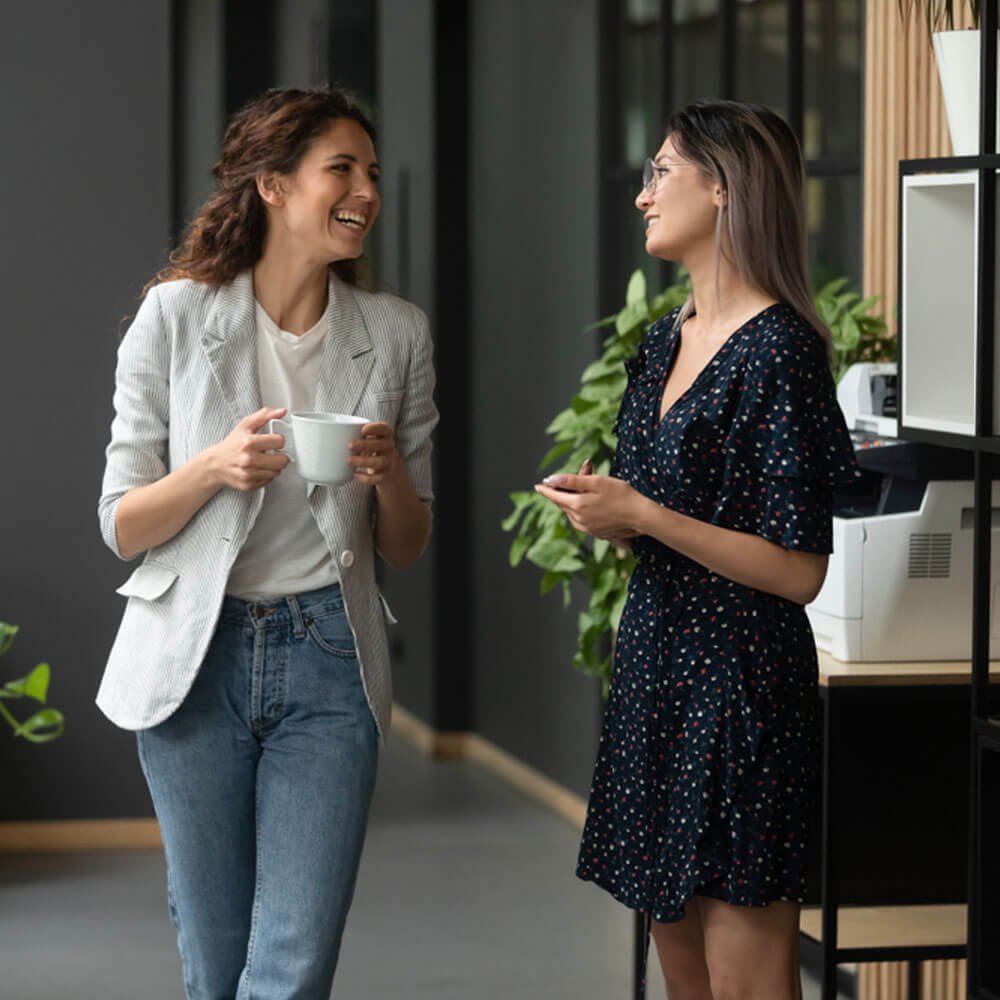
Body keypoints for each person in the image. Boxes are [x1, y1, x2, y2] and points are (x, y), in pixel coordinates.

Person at [96, 85, 437, 999]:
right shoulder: (173, 318)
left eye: (370, 171)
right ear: (274, 186)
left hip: (330, 657)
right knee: (215, 964)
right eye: (342, 169)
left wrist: (386, 473)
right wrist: (214, 468)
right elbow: (122, 523)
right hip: (194, 662)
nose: (365, 188)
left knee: (292, 965)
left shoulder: (396, 335)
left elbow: (407, 542)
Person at [535, 99, 858, 998]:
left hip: (743, 686)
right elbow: (649, 515)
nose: (643, 196)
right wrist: (605, 511)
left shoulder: (781, 351)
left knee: (745, 980)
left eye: (661, 172)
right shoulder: (659, 342)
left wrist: (644, 514)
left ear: (723, 189)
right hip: (656, 669)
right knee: (682, 974)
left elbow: (798, 571)